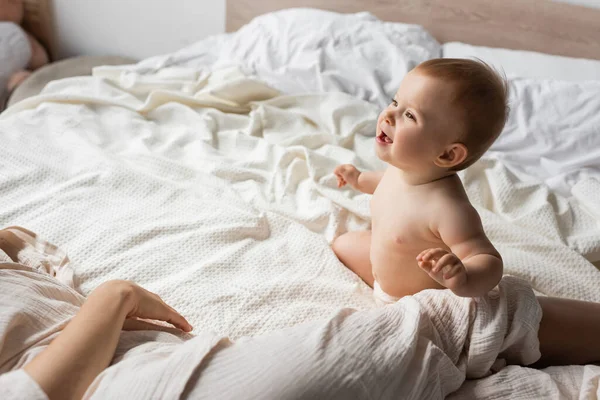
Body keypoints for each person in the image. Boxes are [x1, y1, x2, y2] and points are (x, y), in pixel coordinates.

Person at [1, 226, 600, 399]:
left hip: (134, 361)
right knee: (438, 324)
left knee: (429, 344)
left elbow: (25, 246)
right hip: (112, 385)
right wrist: (115, 297)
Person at [333, 58, 508, 304]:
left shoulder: (448, 209)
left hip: (407, 300)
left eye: (409, 115)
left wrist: (463, 276)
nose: (388, 115)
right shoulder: (406, 169)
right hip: (381, 273)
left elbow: (488, 261)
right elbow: (386, 185)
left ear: (447, 154)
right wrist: (359, 179)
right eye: (395, 102)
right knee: (342, 243)